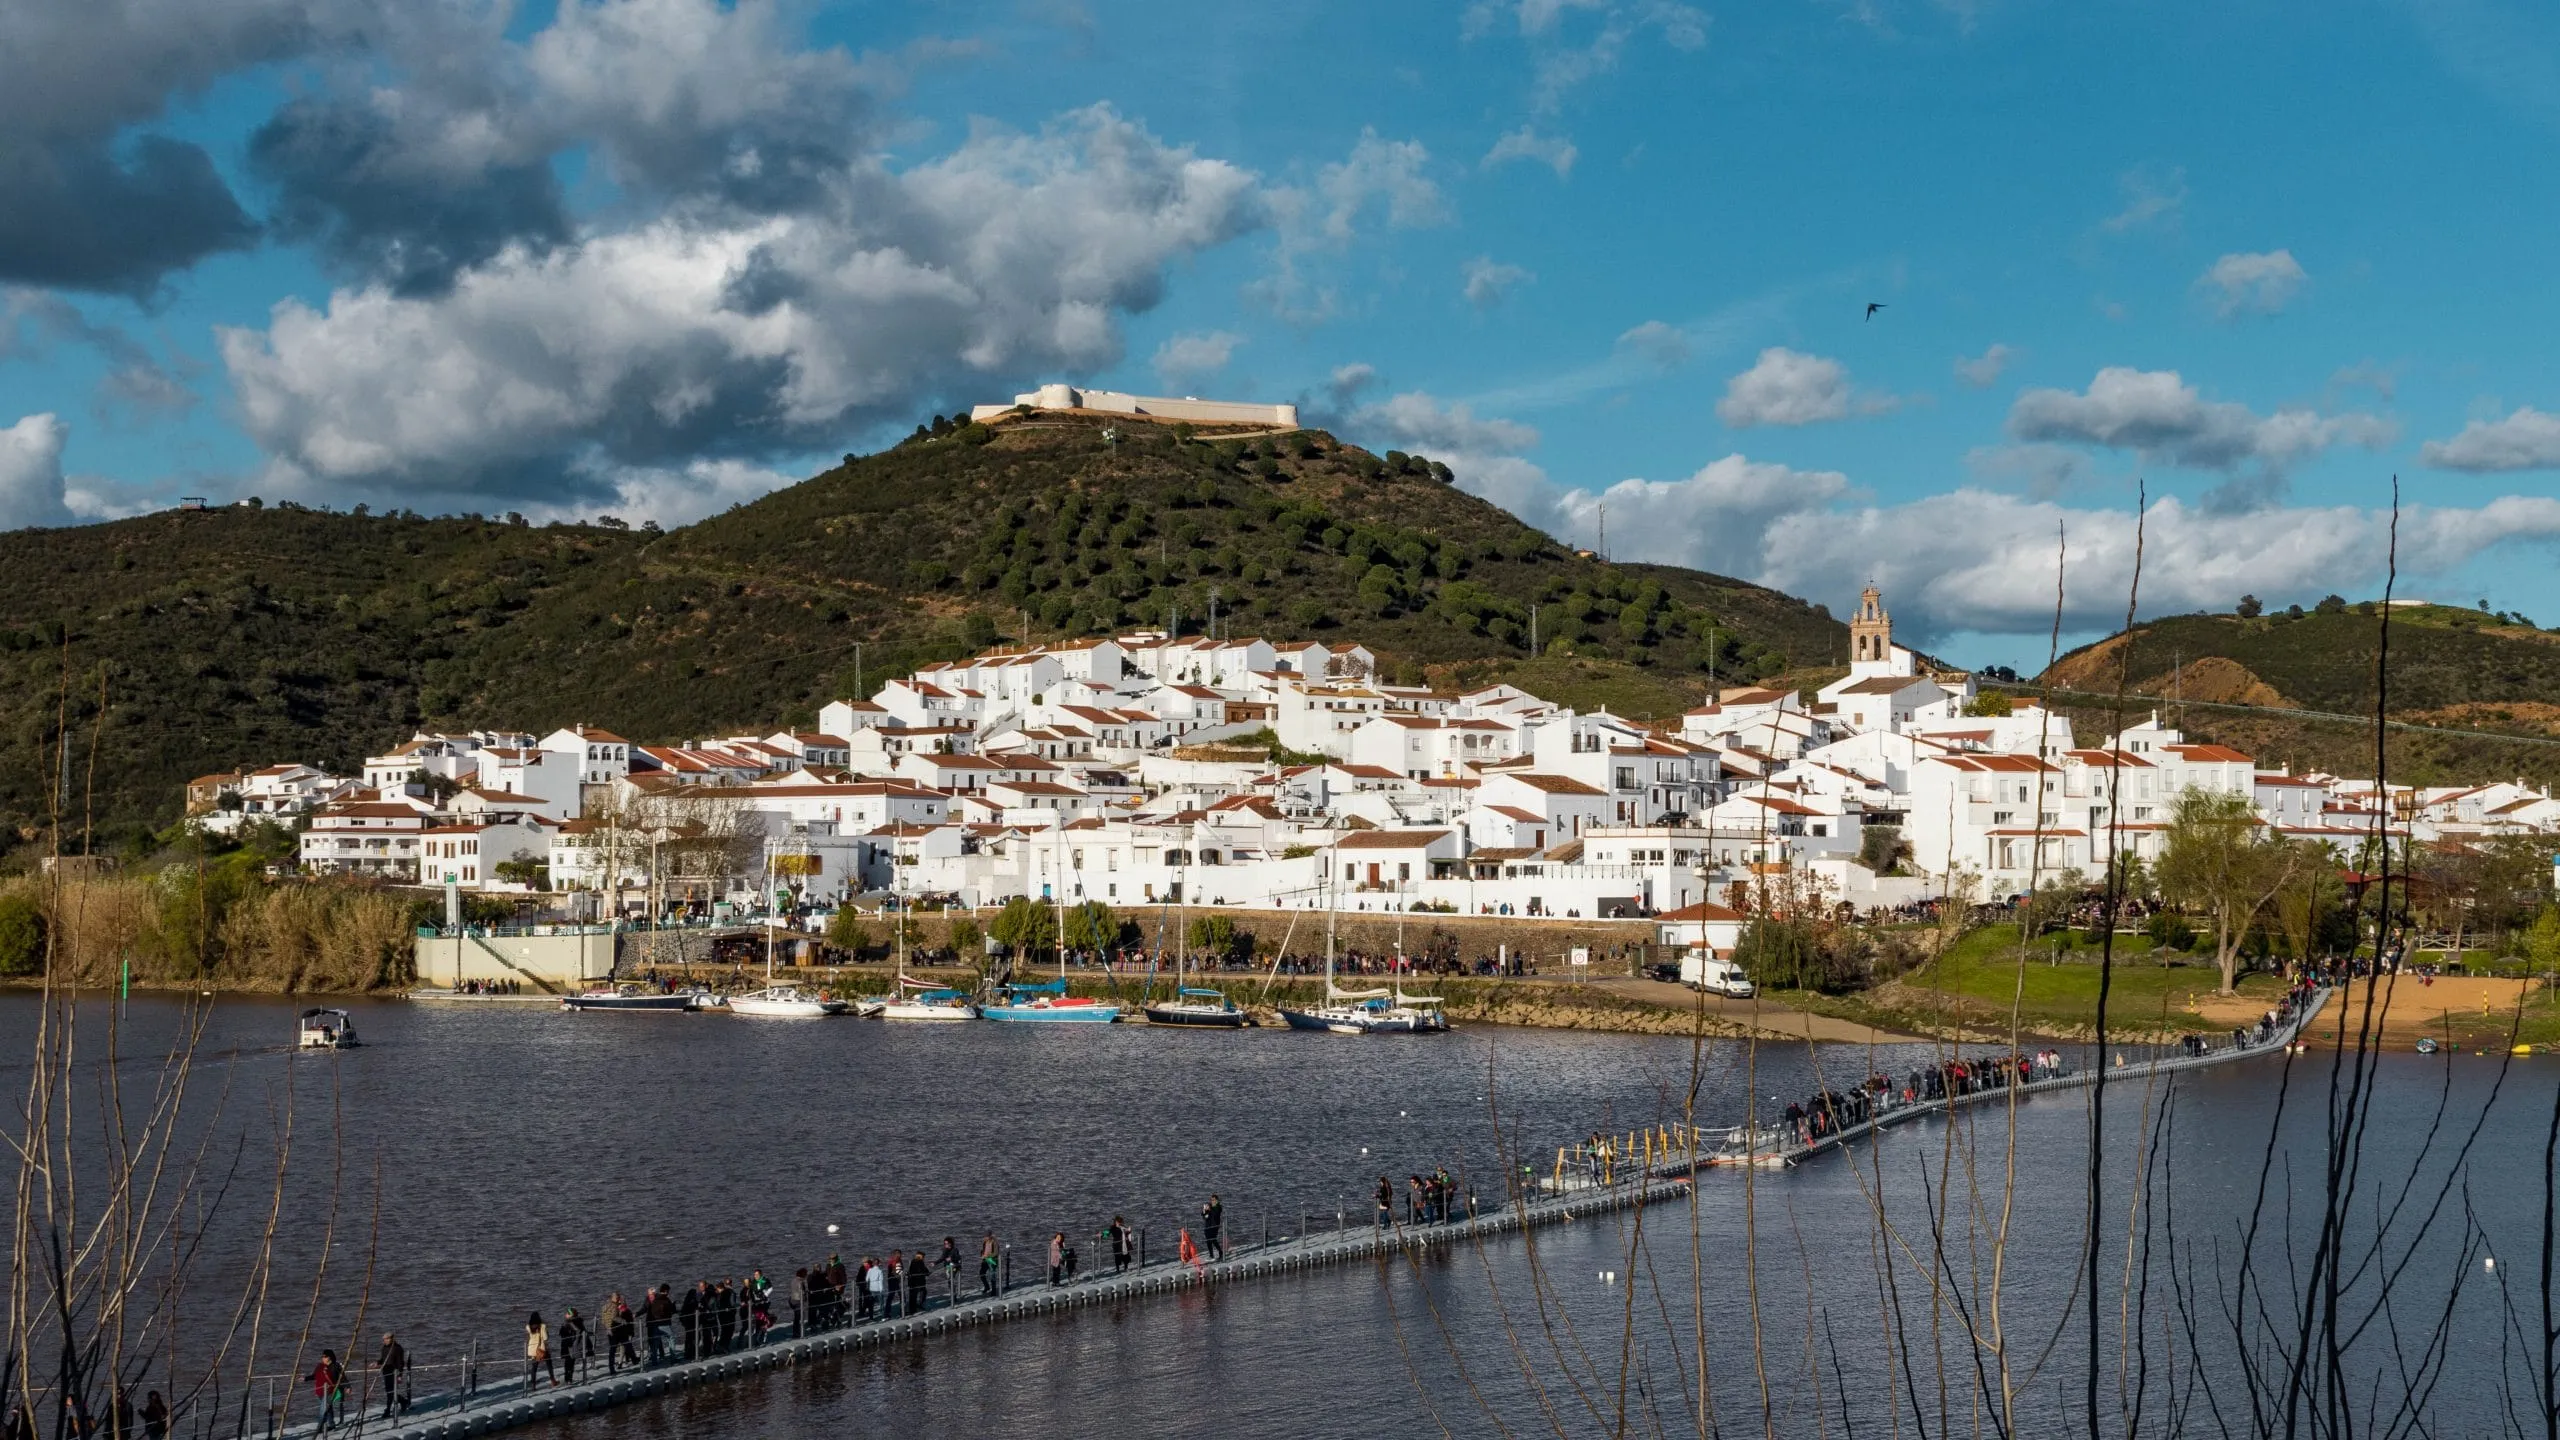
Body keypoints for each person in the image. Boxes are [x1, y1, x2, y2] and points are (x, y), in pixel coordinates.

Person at [310, 1349, 345, 1430]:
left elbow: (343, 1378)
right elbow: (314, 1376)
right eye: (322, 1356)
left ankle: (319, 1428)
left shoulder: (336, 1366)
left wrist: (348, 1387)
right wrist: (305, 1378)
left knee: (322, 1411)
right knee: (328, 1409)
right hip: (319, 1392)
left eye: (325, 1356)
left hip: (330, 1392)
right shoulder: (319, 1366)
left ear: (330, 1357)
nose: (323, 1358)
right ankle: (332, 1424)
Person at [377, 1331, 409, 1417]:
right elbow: (383, 1360)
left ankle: (387, 1410)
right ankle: (403, 1401)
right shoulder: (384, 1348)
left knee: (391, 1392)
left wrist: (400, 1375)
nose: (384, 1341)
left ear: (391, 1339)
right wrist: (377, 1363)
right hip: (386, 1372)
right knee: (389, 1392)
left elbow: (400, 1363)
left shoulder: (397, 1348)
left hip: (394, 1372)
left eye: (386, 1339)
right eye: (383, 1340)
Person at [524, 1312, 554, 1390]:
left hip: (531, 1350)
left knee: (534, 1368)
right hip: (541, 1349)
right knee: (549, 1364)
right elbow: (545, 1338)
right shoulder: (542, 1326)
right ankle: (553, 1381)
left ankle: (533, 1386)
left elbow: (528, 1338)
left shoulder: (528, 1327)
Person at [608, 1295, 638, 1372]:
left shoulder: (616, 1309)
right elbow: (629, 1323)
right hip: (622, 1332)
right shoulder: (625, 1311)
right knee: (625, 1347)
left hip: (619, 1332)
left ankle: (623, 1362)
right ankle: (627, 1361)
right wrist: (631, 1332)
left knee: (621, 1348)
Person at [558, 1307, 588, 1384]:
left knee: (567, 1362)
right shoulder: (579, 1322)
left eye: (567, 1313)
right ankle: (569, 1379)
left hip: (568, 1345)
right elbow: (583, 1332)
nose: (566, 1314)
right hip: (576, 1345)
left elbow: (562, 1333)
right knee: (572, 1362)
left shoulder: (568, 1323)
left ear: (571, 1315)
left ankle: (567, 1379)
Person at [1202, 1195, 1224, 1260]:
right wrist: (1204, 1210)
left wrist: (1209, 1209)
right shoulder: (1210, 1206)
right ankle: (1212, 1255)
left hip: (1214, 1226)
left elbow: (1215, 1214)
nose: (1212, 1201)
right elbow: (1205, 1216)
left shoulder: (1218, 1207)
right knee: (1209, 1240)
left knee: (1212, 1239)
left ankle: (1219, 1253)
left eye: (1214, 1200)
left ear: (1217, 1200)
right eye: (1211, 1200)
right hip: (1208, 1226)